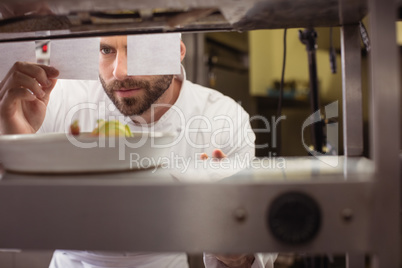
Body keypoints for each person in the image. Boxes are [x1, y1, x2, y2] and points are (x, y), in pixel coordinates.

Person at [0, 35, 276, 268]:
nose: (120, 71)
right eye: (107, 50)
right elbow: (16, 212)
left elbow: (247, 246)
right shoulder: (58, 97)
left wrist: (237, 253)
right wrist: (14, 141)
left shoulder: (220, 116)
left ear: (177, 51)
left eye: (138, 49)